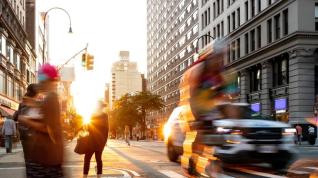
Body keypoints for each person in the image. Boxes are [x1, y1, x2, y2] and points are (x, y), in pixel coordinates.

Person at [18, 64, 64, 178]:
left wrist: (25, 120)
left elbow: (47, 127)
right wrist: (33, 103)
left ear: (48, 80)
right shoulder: (49, 97)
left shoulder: (51, 98)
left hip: (45, 158)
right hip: (46, 157)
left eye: (41, 79)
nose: (40, 82)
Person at [13, 84, 39, 176]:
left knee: (28, 161)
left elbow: (15, 117)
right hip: (33, 136)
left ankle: (30, 174)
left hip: (24, 136)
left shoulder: (22, 103)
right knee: (35, 161)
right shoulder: (36, 103)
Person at [83, 101, 109, 178]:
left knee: (87, 159)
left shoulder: (93, 115)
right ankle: (99, 176)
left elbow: (88, 128)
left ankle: (85, 176)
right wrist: (104, 141)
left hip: (91, 141)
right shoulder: (105, 115)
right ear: (102, 107)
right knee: (98, 159)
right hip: (100, 142)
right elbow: (107, 129)